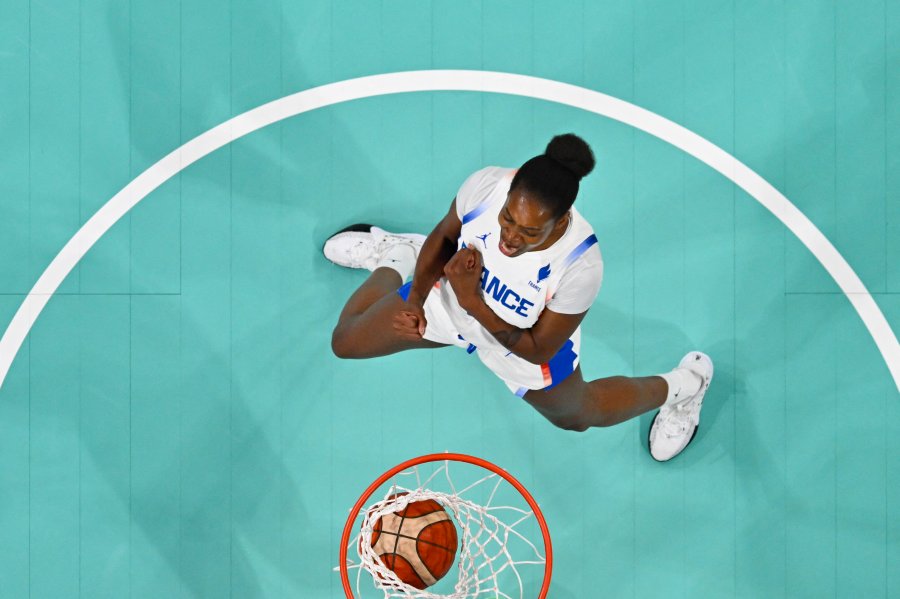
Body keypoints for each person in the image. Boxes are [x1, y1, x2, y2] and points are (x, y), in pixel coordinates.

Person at [323, 133, 713, 462]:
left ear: (560, 222)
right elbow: (444, 237)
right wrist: (415, 300)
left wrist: (473, 300)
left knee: (578, 415)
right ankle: (397, 256)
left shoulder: (581, 267)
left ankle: (687, 386)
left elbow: (539, 348)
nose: (510, 237)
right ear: (508, 195)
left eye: (529, 233)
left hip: (518, 342)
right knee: (346, 341)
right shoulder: (486, 186)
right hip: (450, 300)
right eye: (508, 219)